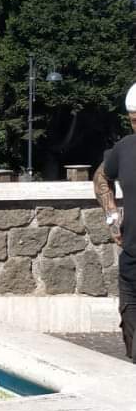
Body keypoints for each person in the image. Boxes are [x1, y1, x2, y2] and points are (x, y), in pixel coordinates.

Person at [93, 84, 136, 357]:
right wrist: (111, 216)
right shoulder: (125, 148)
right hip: (132, 260)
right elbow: (101, 178)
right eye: (133, 120)